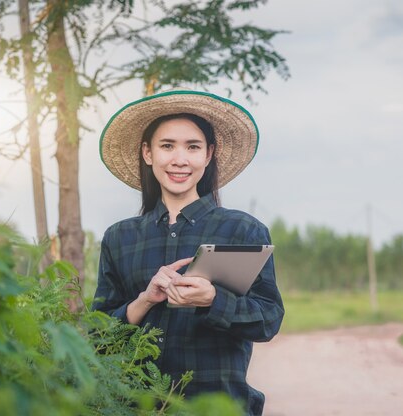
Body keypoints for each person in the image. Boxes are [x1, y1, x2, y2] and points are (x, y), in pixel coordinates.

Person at [92, 90, 284, 416]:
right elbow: (98, 341)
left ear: (208, 155)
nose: (179, 159)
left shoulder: (243, 230)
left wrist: (212, 300)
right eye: (167, 146)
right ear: (147, 153)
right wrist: (144, 301)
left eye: (192, 147)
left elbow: (268, 320)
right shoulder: (119, 238)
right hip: (136, 409)